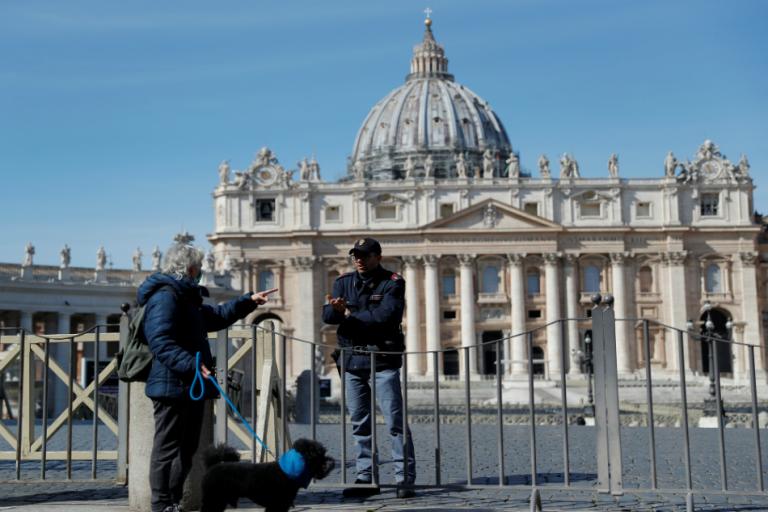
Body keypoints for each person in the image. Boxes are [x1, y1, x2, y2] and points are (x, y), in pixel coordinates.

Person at [137, 234, 277, 512]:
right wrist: (192, 364)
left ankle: (173, 501)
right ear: (189, 268)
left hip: (190, 383)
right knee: (166, 449)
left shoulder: (185, 297)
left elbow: (217, 317)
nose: (201, 270)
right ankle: (161, 504)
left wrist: (249, 301)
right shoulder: (165, 297)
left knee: (187, 449)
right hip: (172, 384)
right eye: (199, 266)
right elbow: (160, 341)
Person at [322, 238, 416, 499]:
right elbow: (327, 317)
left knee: (395, 422)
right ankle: (366, 478)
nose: (359, 260)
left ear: (378, 257)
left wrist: (349, 315)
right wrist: (335, 310)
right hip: (352, 360)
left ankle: (404, 479)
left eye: (365, 255)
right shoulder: (343, 282)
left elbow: (387, 316)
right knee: (359, 423)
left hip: (382, 360)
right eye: (356, 256)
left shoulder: (392, 282)